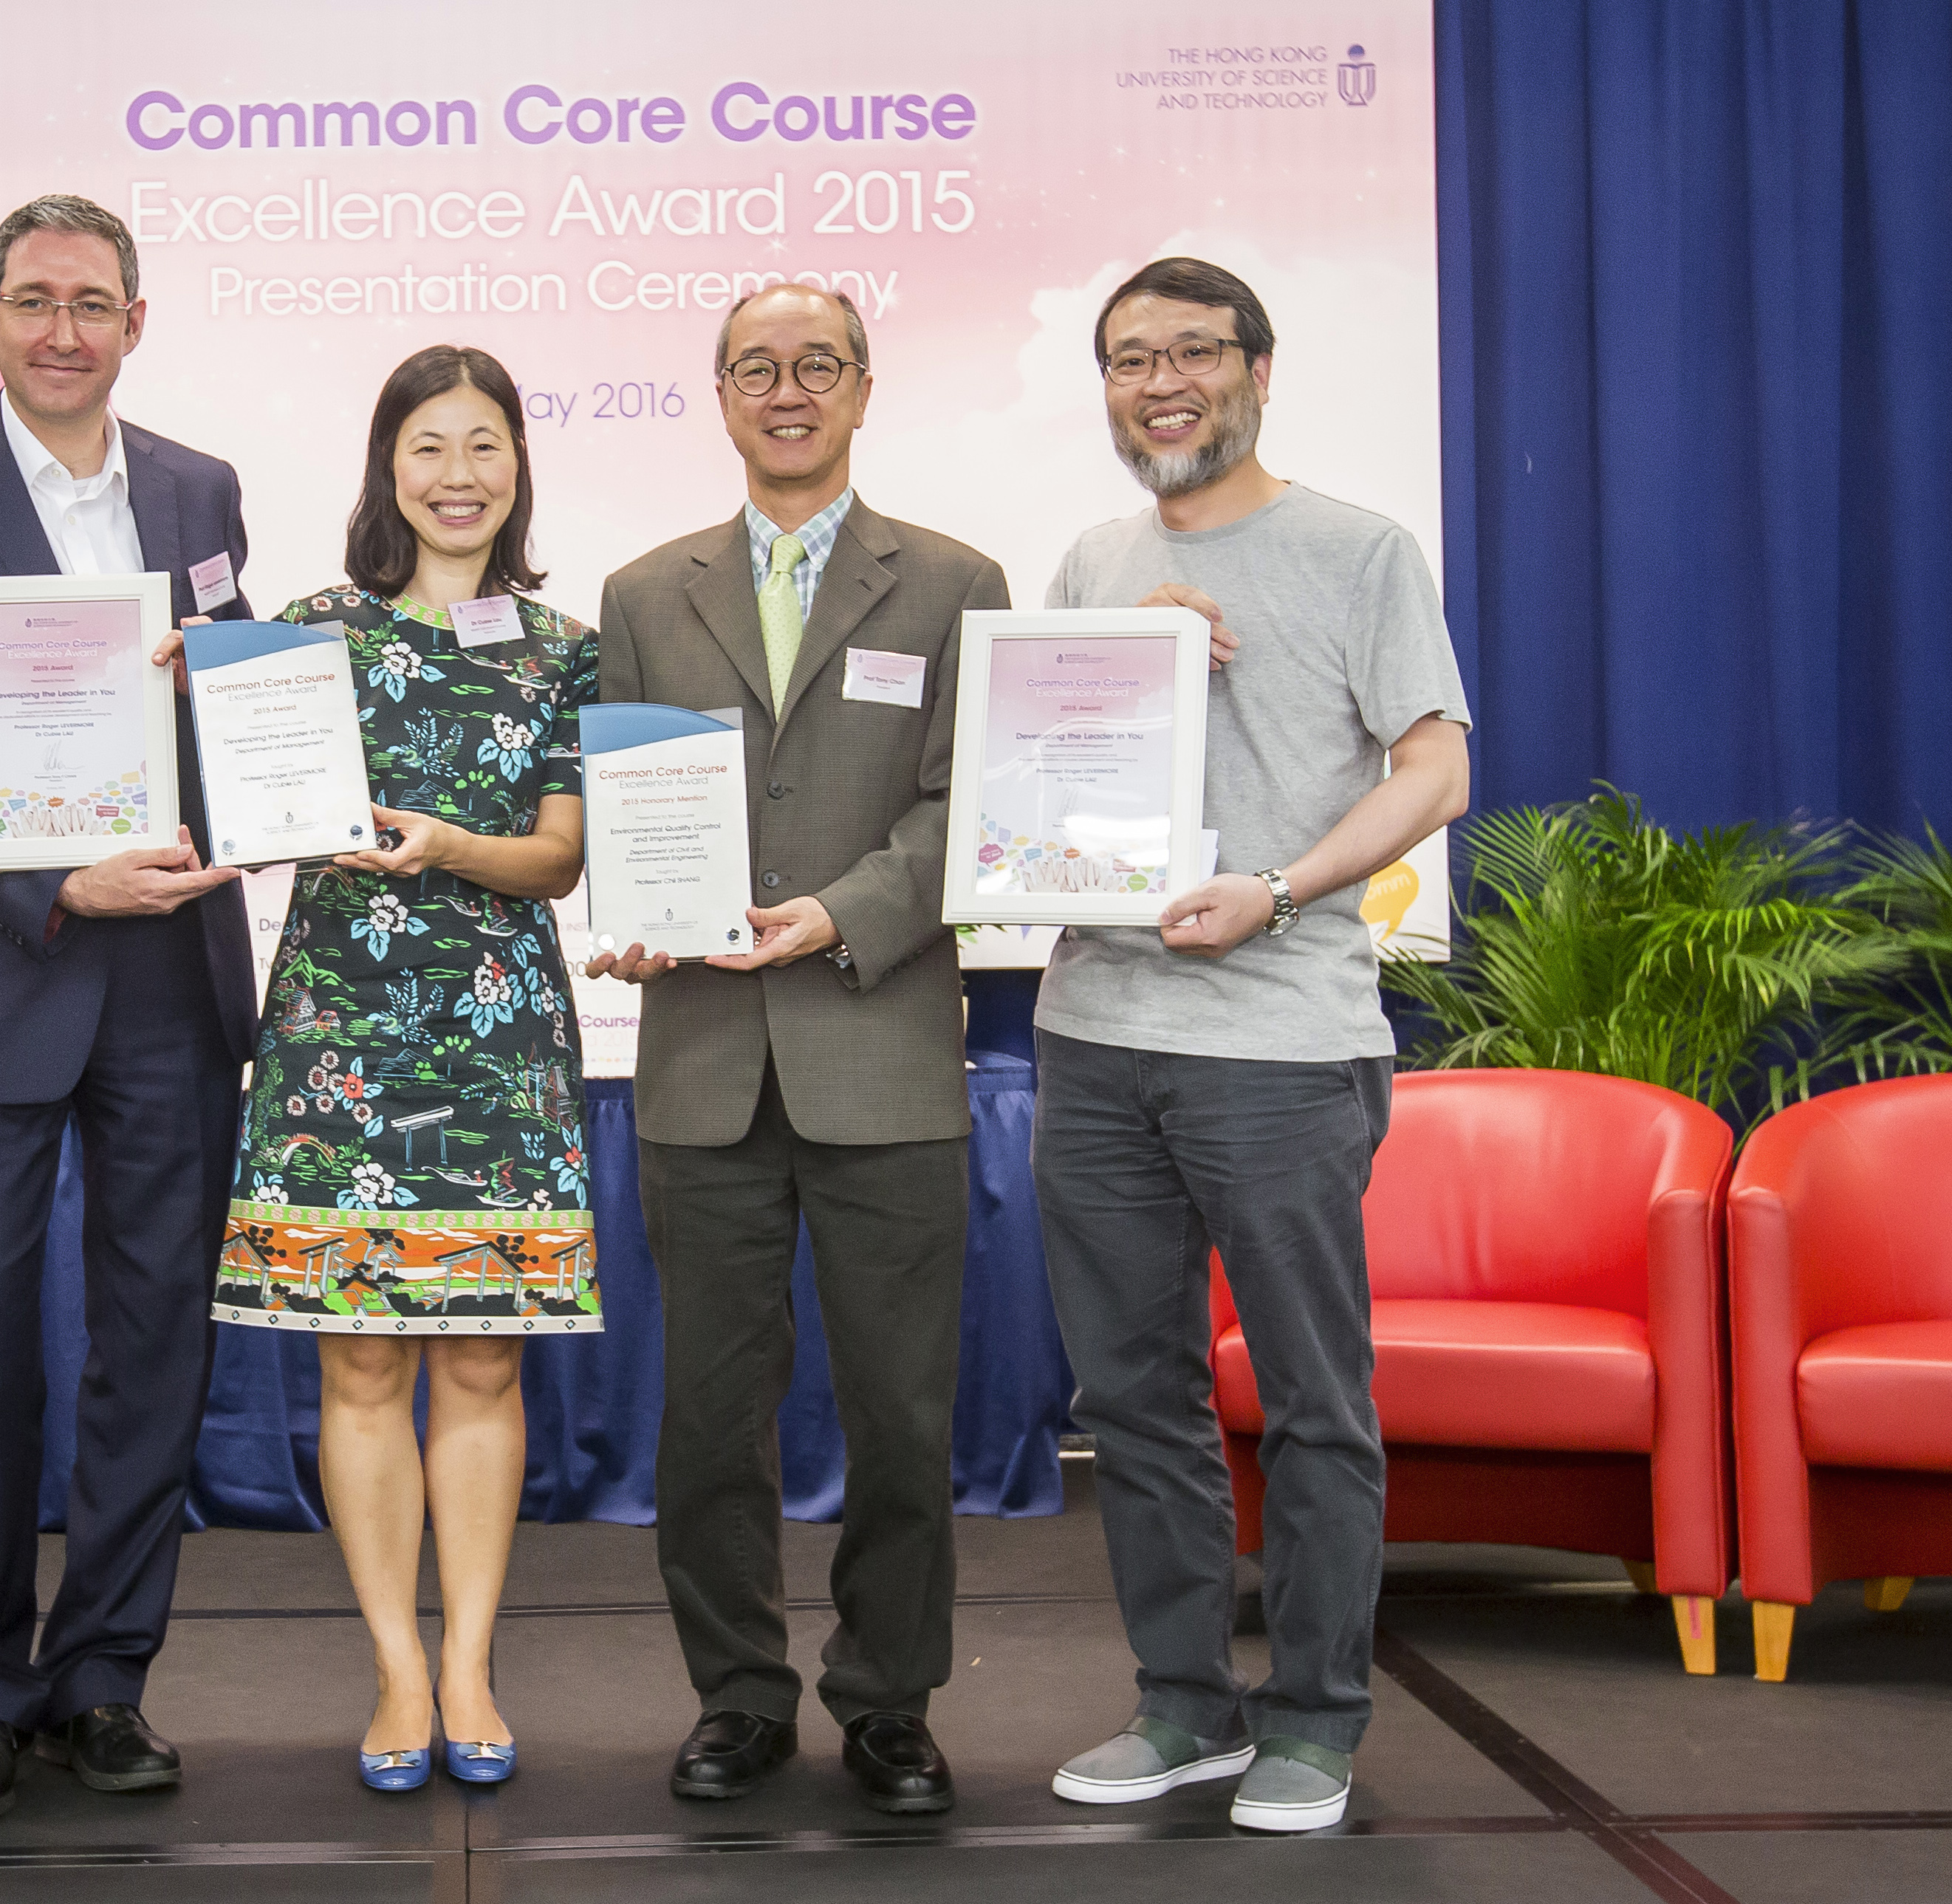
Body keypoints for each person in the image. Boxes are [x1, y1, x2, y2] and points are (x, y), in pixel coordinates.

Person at [1033, 257, 1469, 1833]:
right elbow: (1048, 784)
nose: (1161, 382)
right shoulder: (1091, 561)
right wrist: (1117, 665)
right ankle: (1183, 1705)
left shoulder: (1359, 550)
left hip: (1281, 1044)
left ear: (1257, 370)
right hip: (1093, 1030)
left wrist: (1278, 888)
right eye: (1129, 358)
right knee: (1133, 1399)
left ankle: (1314, 1719)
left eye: (1192, 352)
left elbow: (1435, 770)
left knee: (1309, 1399)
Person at [0, 194, 258, 1818]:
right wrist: (54, 882)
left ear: (134, 321)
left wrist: (251, 719)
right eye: (33, 301)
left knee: (155, 1339)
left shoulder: (199, 488)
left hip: (169, 976)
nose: (62, 330)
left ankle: (103, 1676)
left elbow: (237, 705)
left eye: (92, 303)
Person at [586, 284, 1009, 1815]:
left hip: (879, 1047)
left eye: (815, 365)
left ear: (861, 389)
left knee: (901, 1412)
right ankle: (738, 1693)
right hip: (702, 1061)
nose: (786, 390)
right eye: (756, 367)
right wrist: (638, 913)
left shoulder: (953, 581)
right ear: (718, 395)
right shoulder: (645, 592)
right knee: (708, 1417)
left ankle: (888, 1699)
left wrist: (839, 912)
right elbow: (627, 804)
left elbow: (967, 802)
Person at [203, 345, 599, 1793]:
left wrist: (446, 846)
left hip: (497, 1041)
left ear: (517, 464)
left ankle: (472, 1662)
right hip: (340, 1038)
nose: (456, 474)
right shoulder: (307, 634)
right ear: (387, 466)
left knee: (484, 1358)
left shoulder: (564, 646)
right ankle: (395, 1668)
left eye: (483, 443)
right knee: (360, 1359)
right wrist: (200, 705)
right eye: (428, 445)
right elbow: (250, 810)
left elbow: (558, 859)